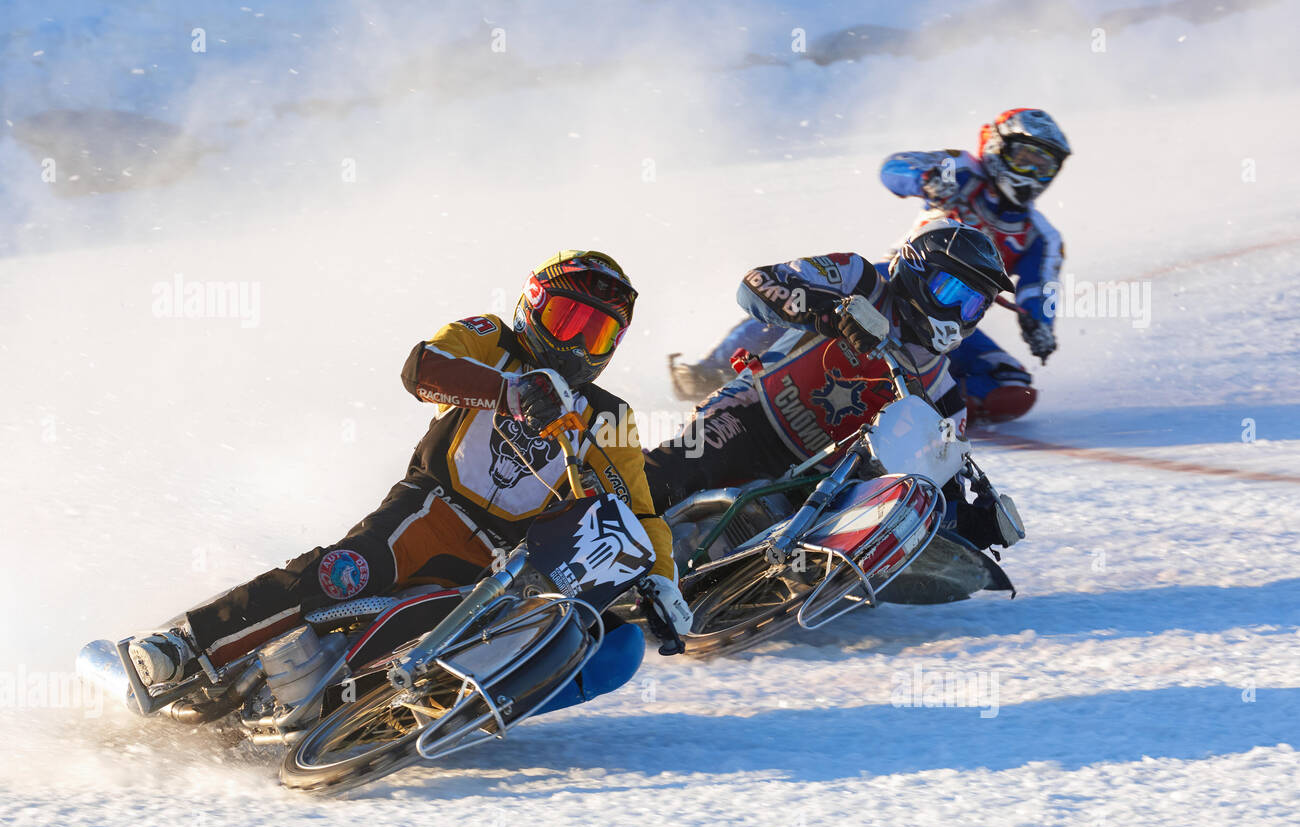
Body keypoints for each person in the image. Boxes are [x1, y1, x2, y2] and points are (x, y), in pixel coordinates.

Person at [128, 250, 692, 691]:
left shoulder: (609, 416)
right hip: (427, 512)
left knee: (603, 645)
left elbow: (638, 513)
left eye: (594, 333)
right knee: (345, 575)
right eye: (566, 319)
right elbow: (422, 368)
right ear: (532, 304)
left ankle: (405, 710)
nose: (574, 344)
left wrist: (662, 579)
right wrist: (507, 391)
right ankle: (184, 645)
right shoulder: (492, 340)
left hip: (507, 563)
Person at [670, 108, 1070, 425]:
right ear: (998, 146)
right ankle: (714, 367)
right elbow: (893, 168)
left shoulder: (1042, 236)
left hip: (951, 322)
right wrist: (927, 177)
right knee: (809, 301)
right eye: (1025, 159)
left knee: (1015, 390)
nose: (1032, 174)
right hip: (894, 284)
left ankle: (914, 404)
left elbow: (1042, 289)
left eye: (1044, 167)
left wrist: (1039, 325)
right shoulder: (961, 168)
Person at [645, 220, 1024, 550]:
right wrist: (827, 313)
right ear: (916, 270)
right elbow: (756, 284)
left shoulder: (945, 396)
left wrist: (972, 523)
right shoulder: (858, 278)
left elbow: (932, 486)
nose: (959, 314)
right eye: (951, 292)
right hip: (753, 415)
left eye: (973, 305)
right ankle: (603, 512)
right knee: (671, 476)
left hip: (822, 482)